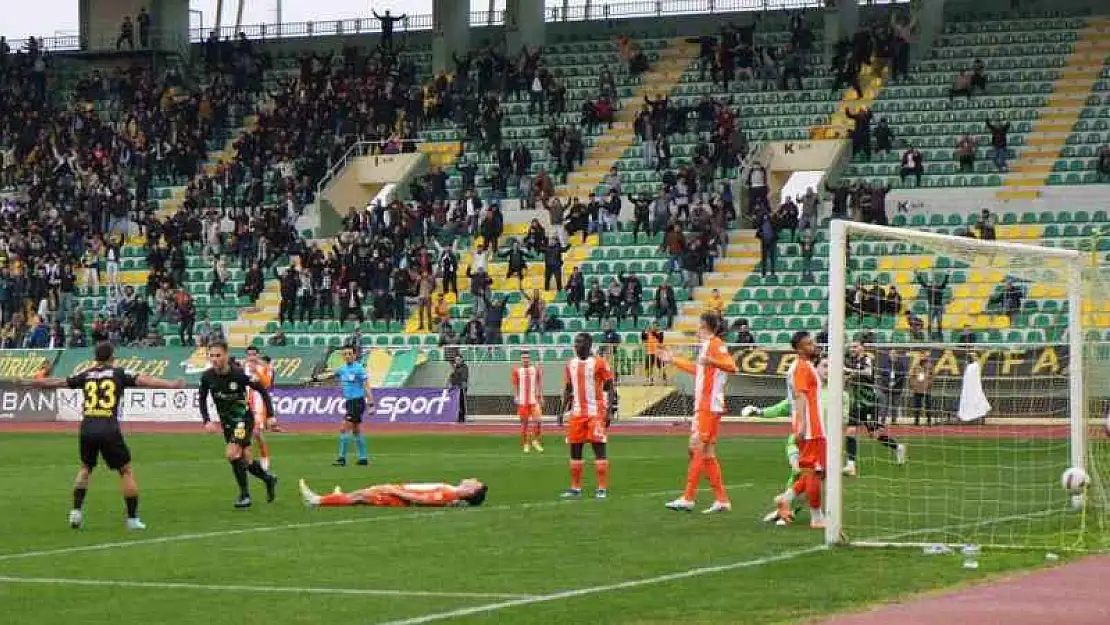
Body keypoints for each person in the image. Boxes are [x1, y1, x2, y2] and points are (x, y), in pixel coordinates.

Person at [23, 342, 184, 530]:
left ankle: (76, 512)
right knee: (125, 471)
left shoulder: (86, 374)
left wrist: (31, 381)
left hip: (87, 427)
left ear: (95, 358)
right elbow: (144, 380)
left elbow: (58, 382)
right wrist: (170, 384)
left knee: (86, 468)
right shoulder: (118, 373)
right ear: (112, 357)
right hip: (108, 427)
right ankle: (132, 520)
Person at [744, 355, 849, 523]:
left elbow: (842, 423)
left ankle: (786, 501)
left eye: (831, 366)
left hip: (825, 442)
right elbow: (782, 408)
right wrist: (759, 412)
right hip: (803, 440)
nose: (828, 370)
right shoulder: (808, 390)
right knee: (809, 474)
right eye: (824, 366)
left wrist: (839, 446)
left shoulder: (841, 395)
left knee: (813, 476)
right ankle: (811, 515)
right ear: (814, 369)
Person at [659, 312, 738, 514]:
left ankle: (688, 497)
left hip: (709, 405)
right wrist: (673, 360)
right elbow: (699, 370)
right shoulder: (707, 347)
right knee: (705, 451)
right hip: (704, 405)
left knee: (697, 448)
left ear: (705, 327)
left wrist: (713, 361)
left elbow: (731, 366)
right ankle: (721, 499)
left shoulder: (715, 344)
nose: (696, 329)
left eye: (699, 326)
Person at [199, 340, 279, 508]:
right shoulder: (207, 377)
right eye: (211, 355)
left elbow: (262, 390)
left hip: (243, 419)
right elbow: (202, 399)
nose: (214, 359)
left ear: (226, 355)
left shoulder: (239, 375)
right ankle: (268, 479)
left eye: (218, 355)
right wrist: (206, 420)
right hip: (227, 423)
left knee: (232, 453)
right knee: (247, 460)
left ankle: (245, 495)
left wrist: (270, 415)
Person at [773, 331, 826, 528]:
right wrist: (803, 425)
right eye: (809, 344)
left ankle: (786, 498)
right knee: (815, 471)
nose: (813, 346)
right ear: (800, 349)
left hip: (813, 422)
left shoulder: (804, 365)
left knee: (817, 471)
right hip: (811, 425)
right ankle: (817, 517)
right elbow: (801, 396)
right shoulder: (801, 367)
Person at [559, 332, 617, 499]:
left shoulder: (599, 363)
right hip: (576, 414)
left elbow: (610, 386)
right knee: (575, 450)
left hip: (595, 414)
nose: (576, 346)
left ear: (588, 345)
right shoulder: (570, 364)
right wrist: (561, 410)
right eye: (575, 343)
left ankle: (601, 488)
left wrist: (609, 411)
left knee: (599, 449)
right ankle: (575, 488)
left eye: (580, 343)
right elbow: (568, 388)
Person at [844, 339, 906, 476]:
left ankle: (898, 447)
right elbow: (854, 377)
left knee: (875, 435)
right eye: (851, 347)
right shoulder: (852, 362)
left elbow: (867, 372)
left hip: (869, 401)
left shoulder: (867, 359)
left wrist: (848, 370)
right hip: (857, 400)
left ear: (862, 347)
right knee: (850, 430)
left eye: (855, 346)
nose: (852, 349)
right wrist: (848, 377)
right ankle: (851, 465)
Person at [310, 346, 374, 466]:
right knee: (356, 430)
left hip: (357, 402)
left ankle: (342, 458)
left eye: (350, 354)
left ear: (355, 355)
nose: (348, 356)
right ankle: (363, 458)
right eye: (345, 354)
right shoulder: (343, 369)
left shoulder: (359, 369)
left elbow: (367, 386)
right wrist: (314, 378)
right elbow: (329, 375)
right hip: (349, 402)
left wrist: (371, 404)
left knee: (344, 429)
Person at [299, 478, 487, 508]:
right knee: (359, 495)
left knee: (360, 495)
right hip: (397, 492)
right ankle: (335, 497)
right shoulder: (451, 493)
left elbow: (420, 499)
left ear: (471, 491)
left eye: (475, 482)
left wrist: (392, 490)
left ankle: (317, 500)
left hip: (395, 496)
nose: (473, 479)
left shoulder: (448, 494)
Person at [243, 347, 274, 470]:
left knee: (256, 432)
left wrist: (257, 371)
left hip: (259, 402)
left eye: (254, 354)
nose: (251, 357)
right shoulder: (243, 367)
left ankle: (264, 456)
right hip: (245, 402)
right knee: (243, 433)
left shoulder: (265, 367)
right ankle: (246, 459)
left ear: (258, 355)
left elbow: (266, 384)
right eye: (249, 355)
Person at [511, 352, 544, 453]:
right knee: (524, 424)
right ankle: (526, 444)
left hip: (534, 401)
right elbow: (515, 384)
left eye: (527, 358)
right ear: (521, 359)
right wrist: (516, 396)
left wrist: (541, 396)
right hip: (522, 402)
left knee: (538, 421)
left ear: (530, 359)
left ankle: (535, 441)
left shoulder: (535, 369)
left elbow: (539, 383)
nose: (526, 359)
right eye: (524, 358)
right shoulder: (516, 370)